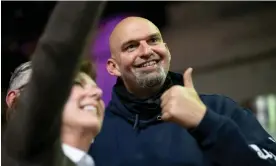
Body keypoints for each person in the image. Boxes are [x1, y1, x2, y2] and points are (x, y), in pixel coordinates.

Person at [89, 16, 276, 166]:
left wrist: (205, 122)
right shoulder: (95, 134)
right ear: (113, 67)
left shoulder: (219, 110)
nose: (146, 51)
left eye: (154, 40)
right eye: (132, 46)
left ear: (166, 50)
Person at [2, 1, 106, 166]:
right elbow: (57, 58)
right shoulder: (23, 153)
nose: (97, 93)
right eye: (78, 84)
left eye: (94, 86)